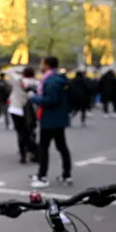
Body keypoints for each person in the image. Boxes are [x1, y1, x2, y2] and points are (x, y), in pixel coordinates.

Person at [30, 56, 72, 188]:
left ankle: (42, 176)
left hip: (50, 119)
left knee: (44, 148)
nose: (40, 66)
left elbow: (50, 100)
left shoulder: (51, 80)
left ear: (47, 65)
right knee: (61, 147)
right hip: (58, 118)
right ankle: (66, 175)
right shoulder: (57, 78)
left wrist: (34, 98)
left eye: (41, 63)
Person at [7, 67, 39, 164]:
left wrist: (17, 68)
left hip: (16, 108)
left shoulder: (18, 80)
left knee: (20, 133)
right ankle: (32, 152)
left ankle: (23, 154)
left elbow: (8, 71)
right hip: (30, 110)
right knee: (30, 131)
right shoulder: (36, 83)